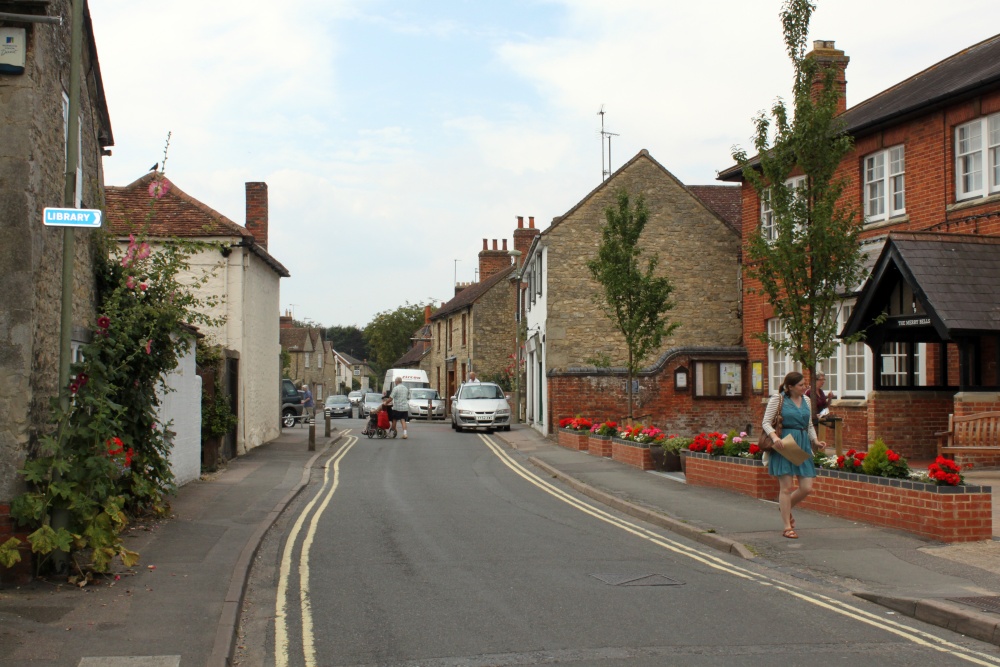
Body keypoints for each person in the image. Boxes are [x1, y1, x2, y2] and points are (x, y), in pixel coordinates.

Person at [762, 371, 826, 539]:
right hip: (785, 444)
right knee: (786, 487)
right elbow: (766, 422)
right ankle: (787, 527)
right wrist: (775, 438)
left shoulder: (806, 400)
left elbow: (809, 424)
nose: (804, 387)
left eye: (805, 384)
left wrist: (816, 441)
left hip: (803, 443)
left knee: (806, 487)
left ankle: (785, 507)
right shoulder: (778, 399)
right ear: (790, 387)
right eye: (801, 385)